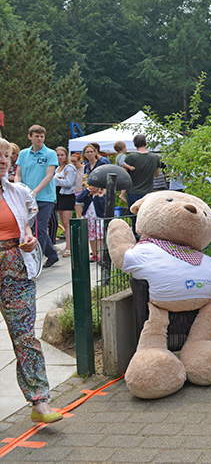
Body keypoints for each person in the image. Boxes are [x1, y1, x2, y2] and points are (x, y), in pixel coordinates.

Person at [0, 138, 63, 423]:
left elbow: (25, 229)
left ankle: (40, 401)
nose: (4, 160)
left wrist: (28, 240)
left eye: (6, 156)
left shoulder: (19, 192)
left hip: (16, 268)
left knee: (25, 337)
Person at [14, 125, 60, 268]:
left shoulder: (50, 153)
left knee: (40, 228)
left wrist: (35, 191)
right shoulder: (23, 153)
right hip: (27, 198)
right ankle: (51, 254)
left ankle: (35, 261)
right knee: (27, 228)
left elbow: (49, 175)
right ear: (30, 137)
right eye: (36, 136)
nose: (39, 139)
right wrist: (18, 188)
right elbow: (18, 174)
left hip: (45, 197)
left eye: (41, 136)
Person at [53, 146, 79, 257]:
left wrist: (55, 180)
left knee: (67, 222)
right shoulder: (57, 168)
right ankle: (67, 246)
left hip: (67, 196)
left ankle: (69, 247)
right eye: (58, 155)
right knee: (63, 222)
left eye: (62, 155)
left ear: (66, 155)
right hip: (58, 195)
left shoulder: (69, 167)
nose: (60, 157)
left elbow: (69, 182)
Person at [124, 134, 160, 211]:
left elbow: (124, 175)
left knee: (134, 218)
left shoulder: (130, 157)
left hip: (132, 192)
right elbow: (156, 174)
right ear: (146, 143)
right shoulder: (155, 157)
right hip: (148, 193)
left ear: (134, 145)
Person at [78, 184, 106, 261]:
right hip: (89, 218)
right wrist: (86, 191)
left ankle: (100, 254)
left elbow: (103, 207)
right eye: (91, 185)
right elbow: (78, 199)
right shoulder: (88, 195)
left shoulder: (101, 195)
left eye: (95, 185)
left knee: (99, 237)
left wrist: (100, 197)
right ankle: (94, 254)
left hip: (98, 219)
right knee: (91, 237)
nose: (93, 187)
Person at [71, 152, 85, 219]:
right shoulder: (70, 169)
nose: (73, 163)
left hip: (83, 191)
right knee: (78, 213)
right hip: (74, 192)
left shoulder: (84, 168)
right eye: (71, 161)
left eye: (75, 161)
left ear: (80, 161)